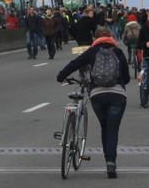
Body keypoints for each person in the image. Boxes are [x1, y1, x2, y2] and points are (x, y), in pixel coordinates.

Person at [55, 25, 131, 178]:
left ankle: (108, 161)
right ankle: (111, 164)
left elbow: (74, 64)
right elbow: (127, 78)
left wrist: (61, 76)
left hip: (98, 95)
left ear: (95, 38)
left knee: (104, 127)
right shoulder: (118, 52)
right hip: (117, 95)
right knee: (112, 130)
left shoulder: (92, 51)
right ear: (111, 37)